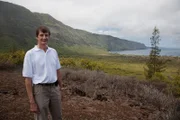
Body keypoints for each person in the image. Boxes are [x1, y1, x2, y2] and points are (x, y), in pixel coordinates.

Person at [22, 26, 63, 120]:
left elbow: (58, 71)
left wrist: (61, 88)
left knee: (58, 117)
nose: (44, 37)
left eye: (46, 35)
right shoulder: (30, 54)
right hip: (40, 90)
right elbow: (28, 79)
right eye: (41, 35)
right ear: (37, 37)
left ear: (49, 37)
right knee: (41, 117)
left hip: (54, 89)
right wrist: (31, 102)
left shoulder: (53, 52)